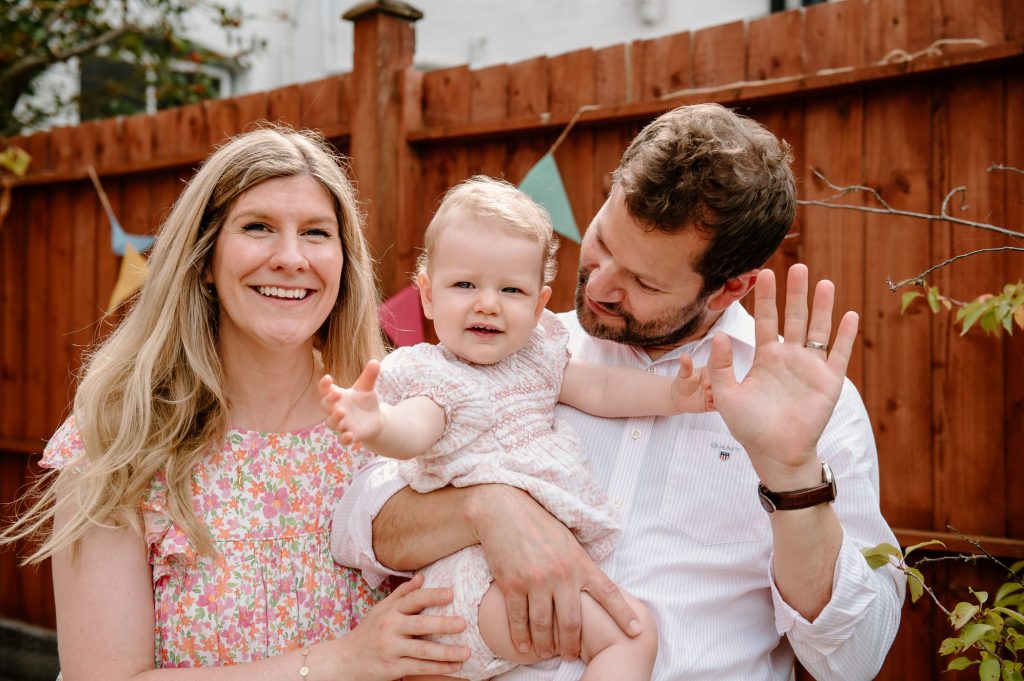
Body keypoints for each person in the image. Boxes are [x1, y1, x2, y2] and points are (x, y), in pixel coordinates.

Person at [332, 103, 906, 680]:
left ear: (729, 289)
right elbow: (355, 526)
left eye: (644, 281)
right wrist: (485, 509)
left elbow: (851, 663)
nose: (602, 284)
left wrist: (793, 479)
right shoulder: (522, 346)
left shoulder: (806, 409)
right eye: (604, 241)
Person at [0, 127, 472, 680]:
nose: (292, 258)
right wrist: (341, 661)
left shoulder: (398, 424)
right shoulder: (118, 439)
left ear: (343, 263)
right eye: (258, 227)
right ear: (204, 258)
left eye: (317, 233)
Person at [321, 176, 715, 680]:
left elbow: (600, 390)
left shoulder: (540, 359)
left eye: (510, 289)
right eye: (464, 285)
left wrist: (670, 397)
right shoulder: (437, 378)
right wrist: (378, 424)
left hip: (504, 587)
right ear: (425, 294)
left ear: (537, 303)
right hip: (477, 580)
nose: (487, 302)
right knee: (630, 634)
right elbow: (414, 430)